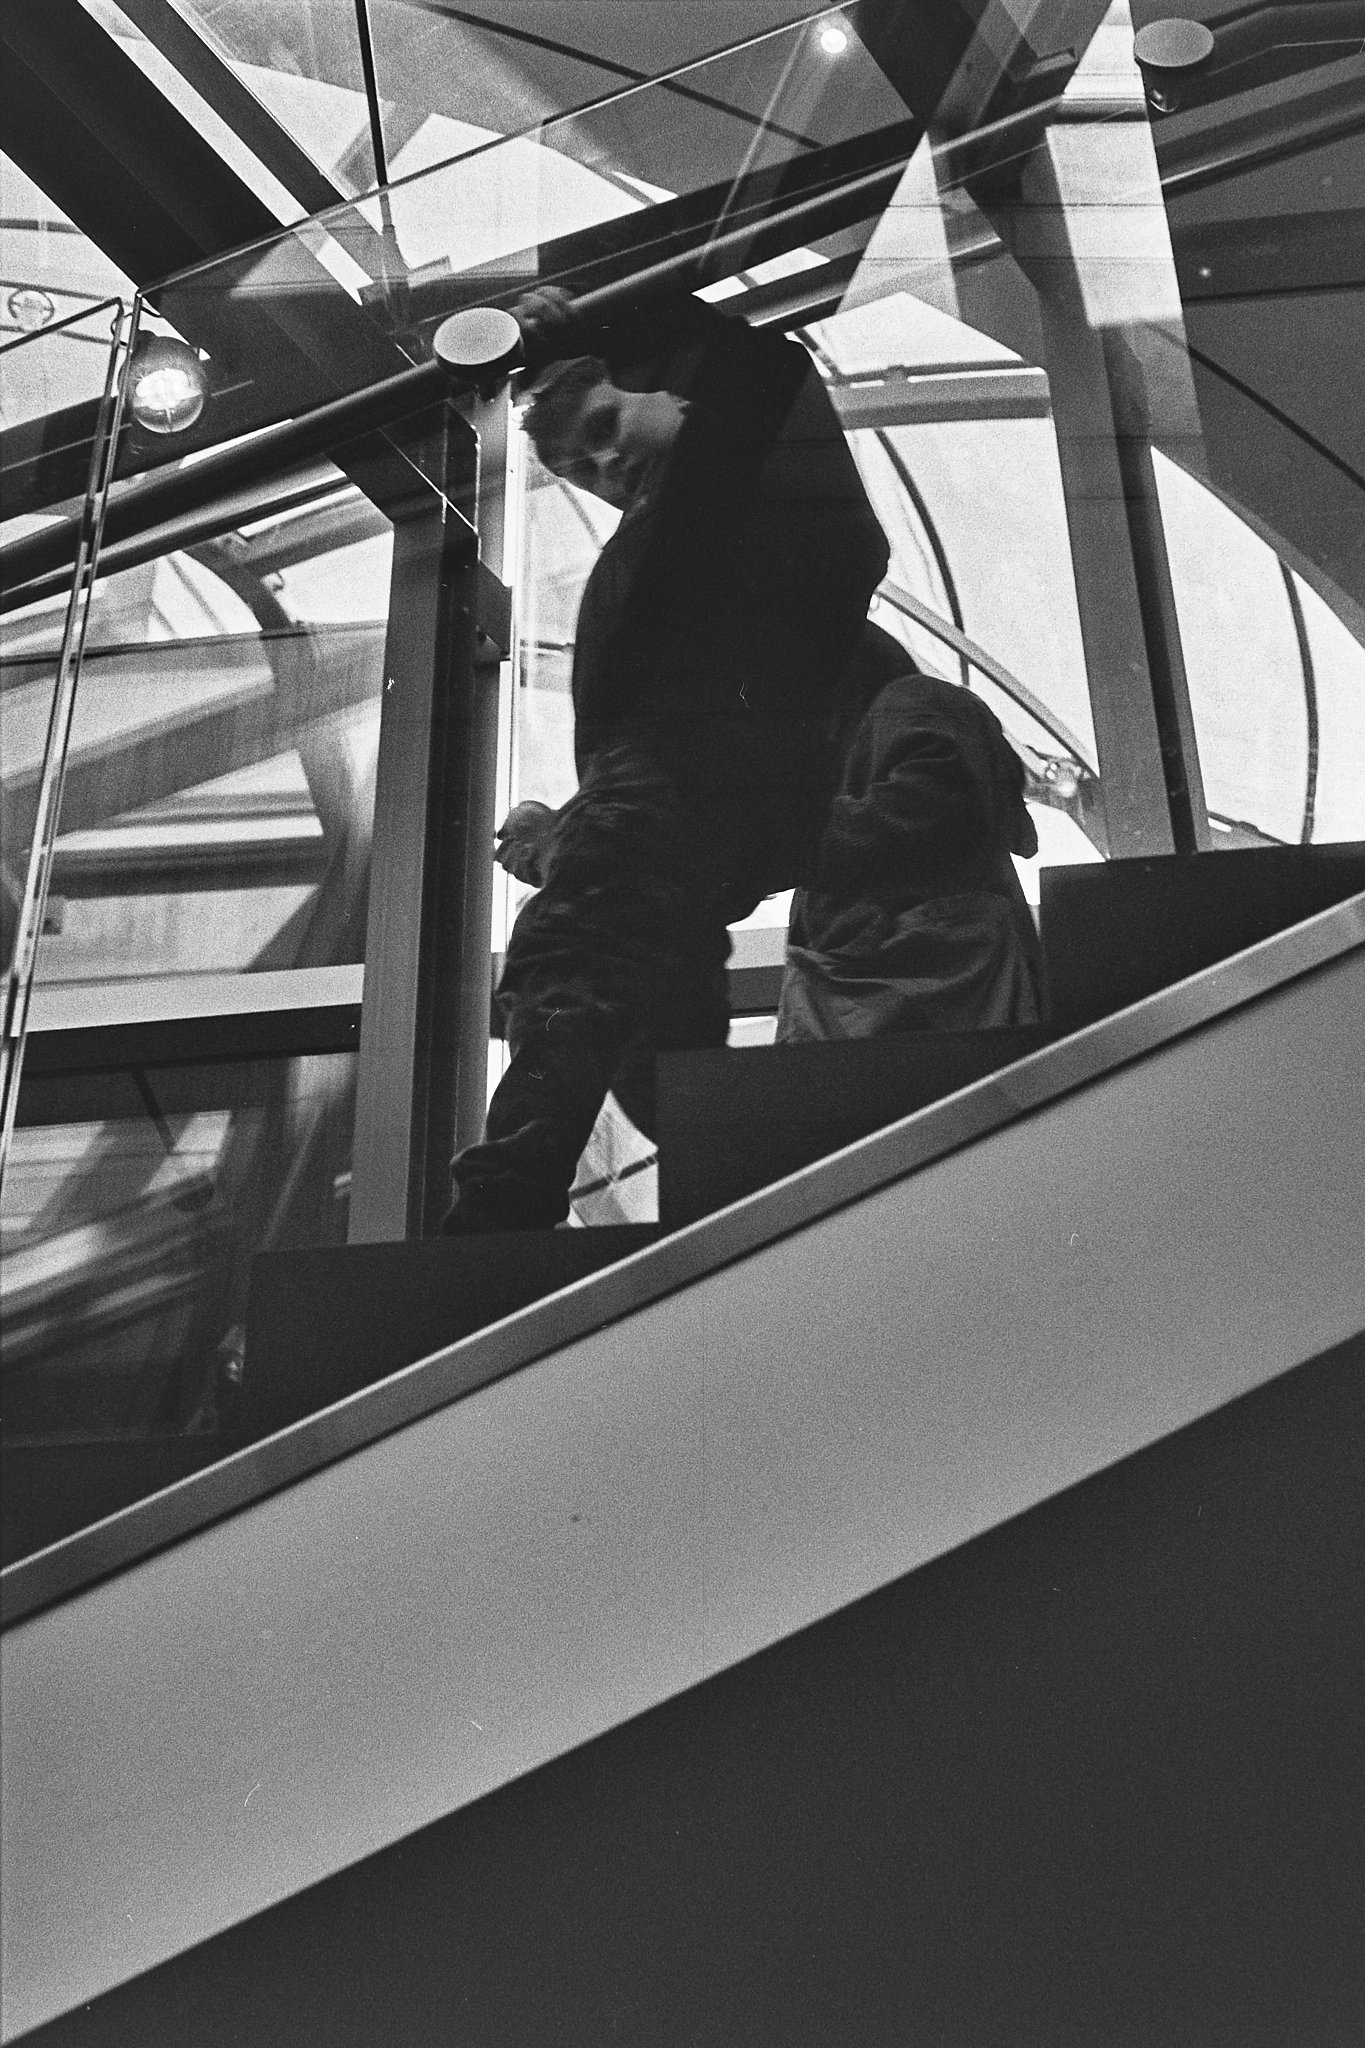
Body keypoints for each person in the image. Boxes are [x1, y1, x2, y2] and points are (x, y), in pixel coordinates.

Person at [445, 284, 889, 1230]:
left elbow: (762, 370)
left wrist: (601, 320)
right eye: (575, 465)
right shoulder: (681, 520)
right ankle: (744, 1185)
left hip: (679, 794)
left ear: (664, 393)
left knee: (574, 964)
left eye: (605, 424)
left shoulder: (724, 482)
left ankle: (511, 1192)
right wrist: (566, 830)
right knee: (654, 1019)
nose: (599, 461)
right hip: (678, 807)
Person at [777, 621, 1046, 1041]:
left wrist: (782, 840)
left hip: (929, 995)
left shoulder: (912, 700)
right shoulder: (895, 715)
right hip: (917, 999)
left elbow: (929, 805)